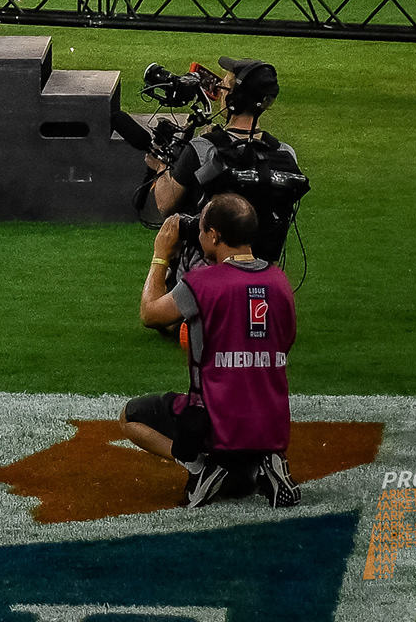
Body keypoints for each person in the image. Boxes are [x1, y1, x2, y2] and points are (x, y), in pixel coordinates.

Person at [126, 193, 302, 506]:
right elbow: (285, 341)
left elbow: (149, 313)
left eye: (202, 229)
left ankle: (205, 466)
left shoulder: (202, 282)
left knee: (130, 417)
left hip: (216, 424)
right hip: (271, 423)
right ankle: (265, 460)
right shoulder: (279, 280)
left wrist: (160, 255)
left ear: (214, 236)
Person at [140, 60, 308, 252]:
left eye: (224, 87)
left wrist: (160, 166)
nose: (219, 91)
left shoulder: (203, 149)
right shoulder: (286, 153)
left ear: (233, 98)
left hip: (206, 270)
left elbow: (166, 204)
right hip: (262, 269)